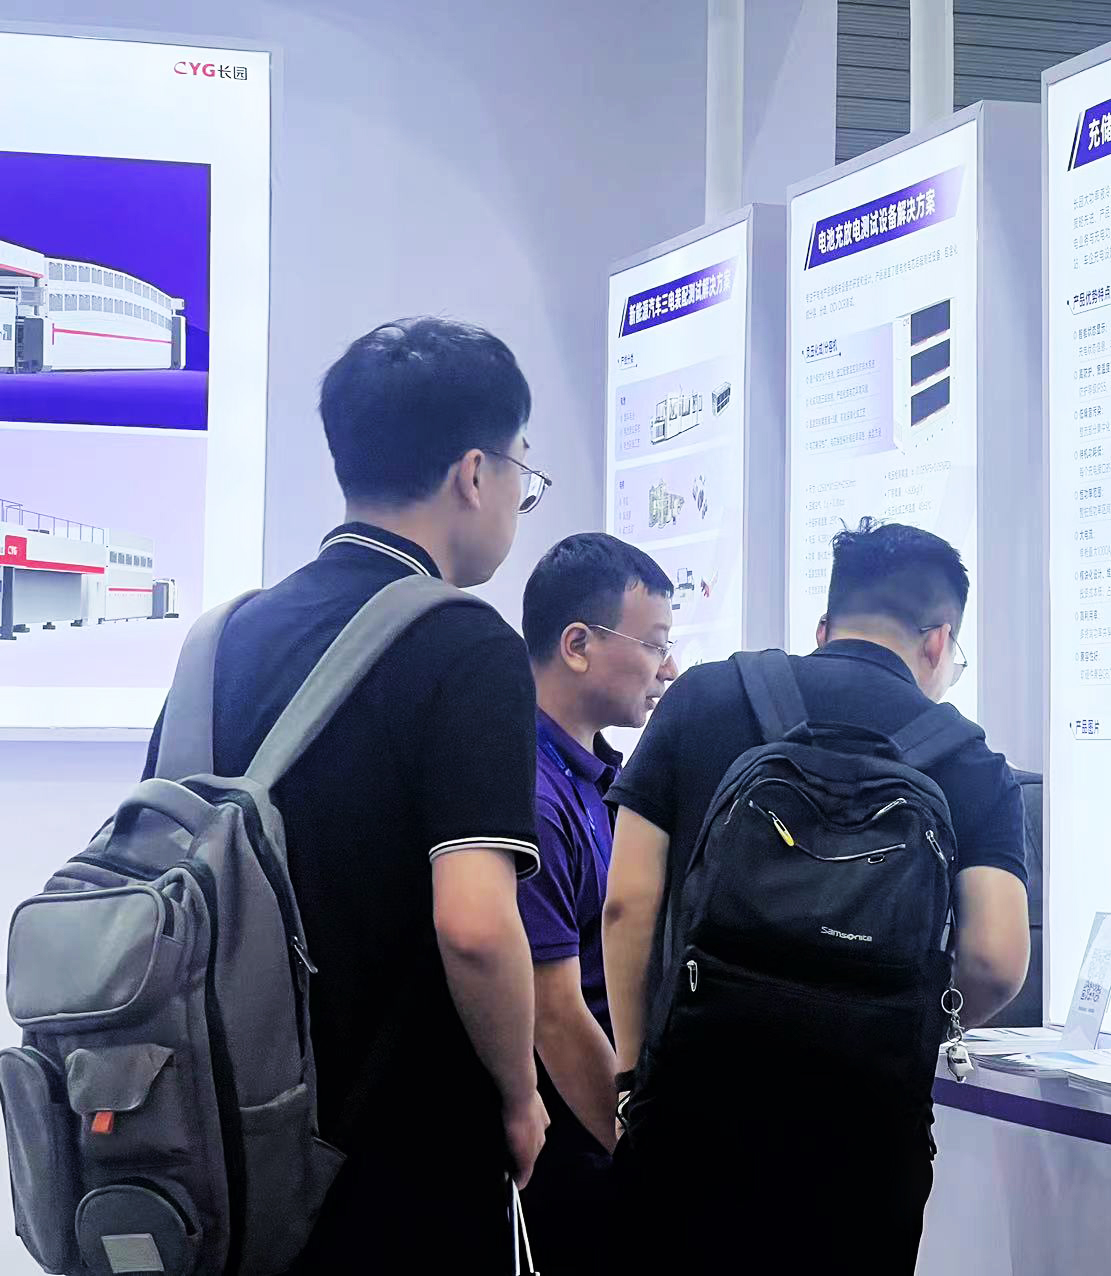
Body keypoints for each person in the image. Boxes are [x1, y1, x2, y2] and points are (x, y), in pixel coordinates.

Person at [143, 318, 554, 1272]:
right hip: (396, 1161)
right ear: (474, 473)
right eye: (522, 473)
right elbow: (474, 926)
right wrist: (519, 1094)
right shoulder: (468, 645)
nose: (516, 498)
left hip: (216, 1153)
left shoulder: (219, 639)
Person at [602, 518, 1032, 1273]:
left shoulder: (704, 697)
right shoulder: (970, 761)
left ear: (825, 623)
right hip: (865, 1142)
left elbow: (627, 904)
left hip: (693, 1114)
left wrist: (635, 1080)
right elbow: (997, 962)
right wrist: (897, 1026)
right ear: (939, 642)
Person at [515, 533, 676, 1269]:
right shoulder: (533, 797)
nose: (668, 669)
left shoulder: (594, 776)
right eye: (655, 645)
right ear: (578, 645)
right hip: (571, 1142)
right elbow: (553, 1013)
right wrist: (634, 1151)